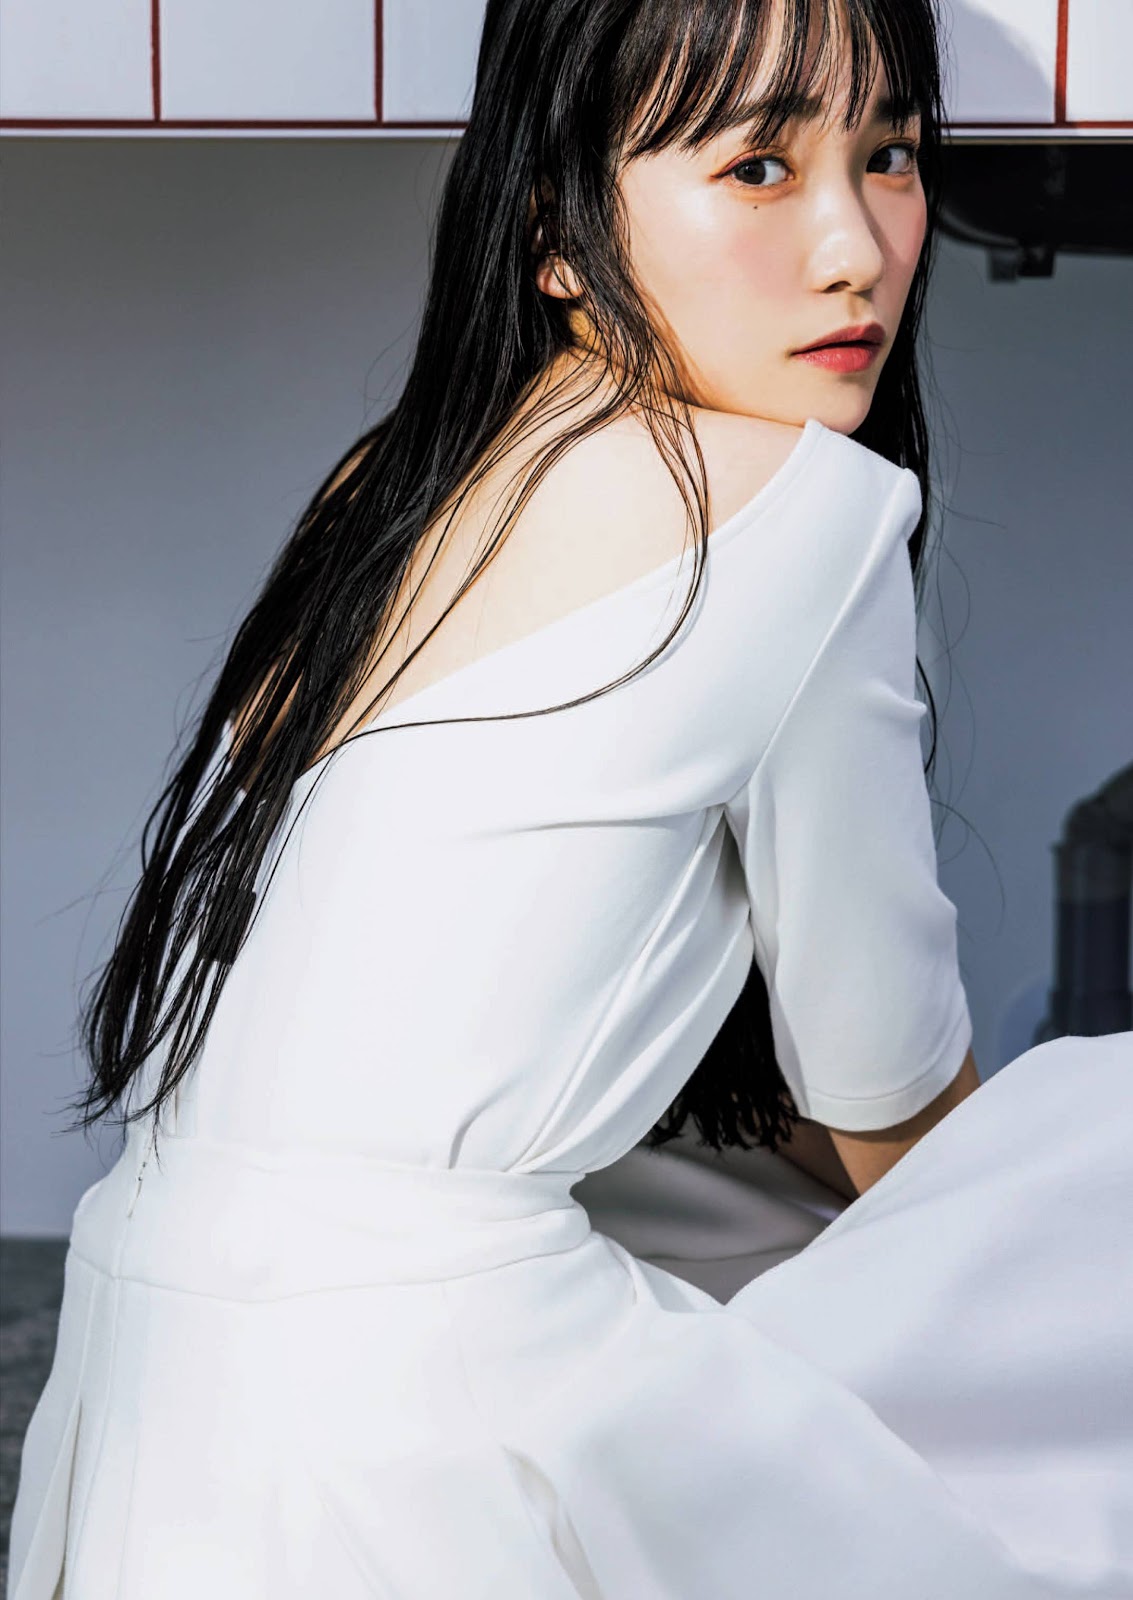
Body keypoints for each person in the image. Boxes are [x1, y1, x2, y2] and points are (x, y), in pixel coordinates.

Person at [8, 0, 1130, 1594]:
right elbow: (898, 1126)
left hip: (154, 1401)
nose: (857, 250)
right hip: (435, 1434)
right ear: (555, 232)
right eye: (756, 167)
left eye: (887, 156)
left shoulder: (384, 486)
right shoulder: (798, 511)